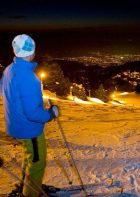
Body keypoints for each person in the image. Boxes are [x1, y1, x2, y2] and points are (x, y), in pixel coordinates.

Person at [0, 34, 59, 197]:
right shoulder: (28, 77)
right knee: (37, 162)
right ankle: (30, 193)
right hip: (29, 130)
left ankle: (28, 184)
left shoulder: (9, 70)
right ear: (31, 51)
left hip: (15, 125)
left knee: (30, 157)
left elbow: (5, 92)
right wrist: (50, 114)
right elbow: (32, 113)